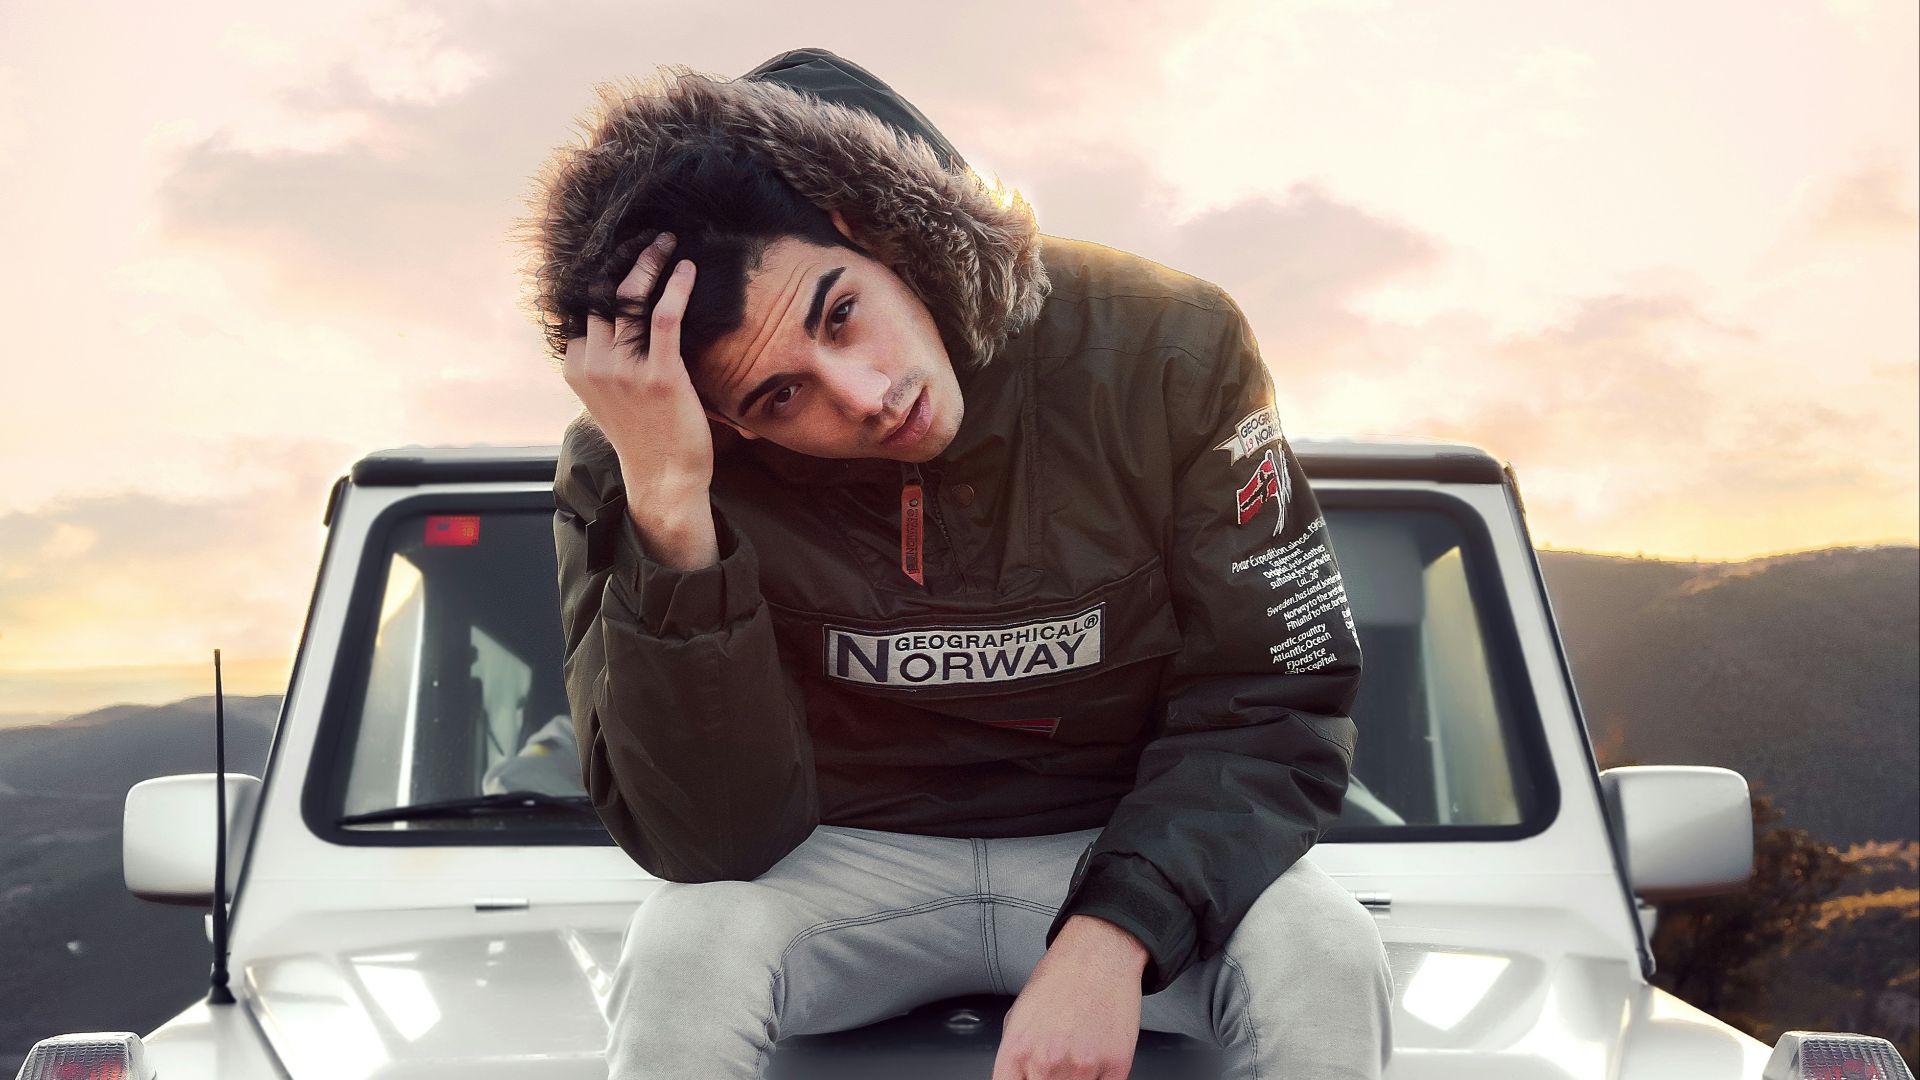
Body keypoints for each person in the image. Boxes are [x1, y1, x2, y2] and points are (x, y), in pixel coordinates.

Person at [532, 48, 1393, 1080]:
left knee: (1327, 953)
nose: (860, 395)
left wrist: (1114, 933)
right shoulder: (637, 459)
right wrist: (671, 502)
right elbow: (710, 845)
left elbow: (1272, 693)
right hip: (836, 858)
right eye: (778, 398)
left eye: (840, 312)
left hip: (1128, 837)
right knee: (681, 951)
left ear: (882, 228)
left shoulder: (1166, 344)